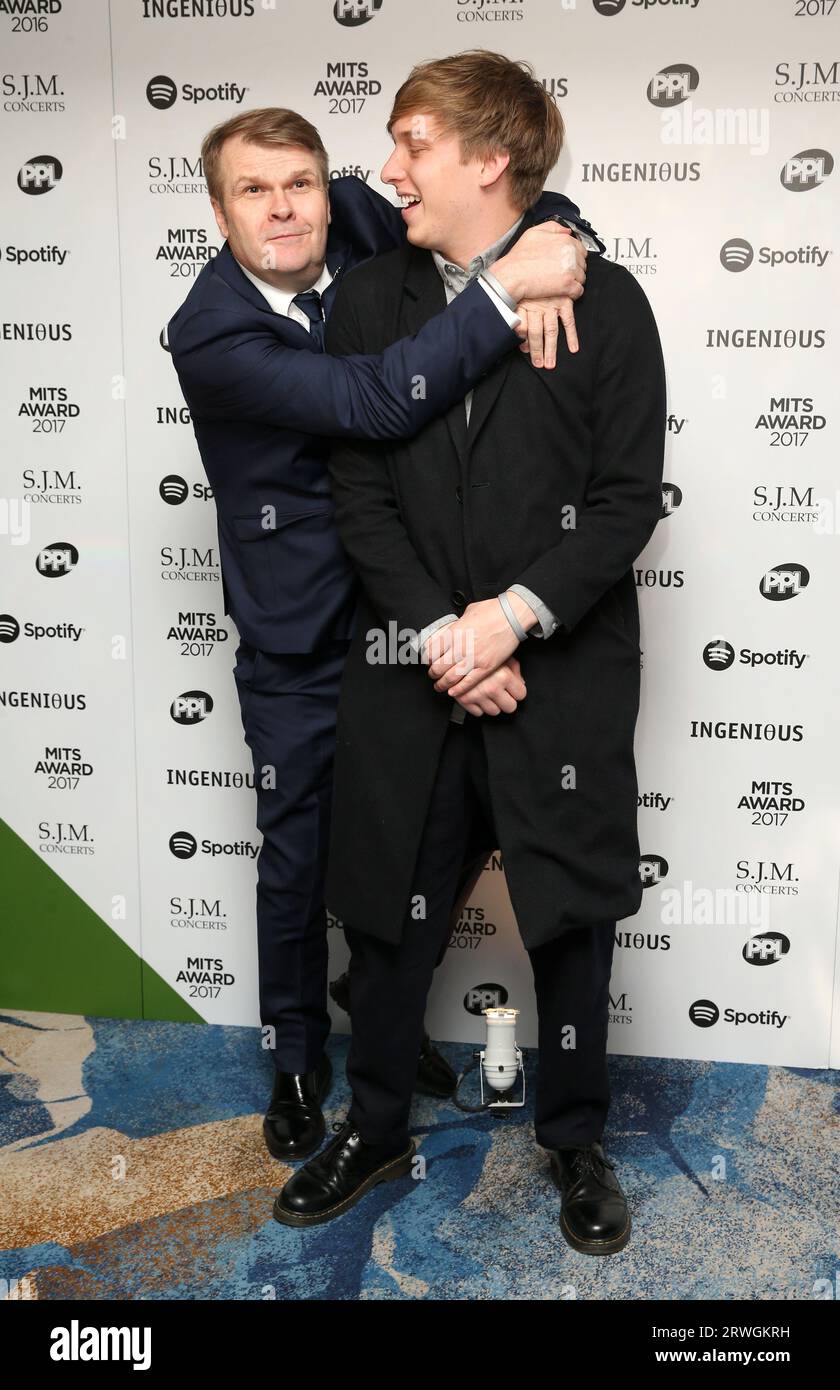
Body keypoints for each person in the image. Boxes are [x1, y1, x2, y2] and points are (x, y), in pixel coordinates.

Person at [273, 51, 666, 1253]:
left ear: (491, 160)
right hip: (413, 660)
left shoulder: (610, 302)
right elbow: (359, 488)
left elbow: (622, 501)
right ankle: (377, 1115)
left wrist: (515, 617)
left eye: (413, 145)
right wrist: (450, 632)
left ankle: (575, 1137)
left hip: (558, 670)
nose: (385, 171)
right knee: (389, 908)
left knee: (568, 919)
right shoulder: (367, 299)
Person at [164, 104, 604, 1164]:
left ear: (329, 185)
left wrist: (562, 242)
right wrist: (507, 294)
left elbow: (508, 204)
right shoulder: (211, 333)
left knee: (441, 818)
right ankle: (297, 1061)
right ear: (218, 210)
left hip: (419, 603)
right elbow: (370, 399)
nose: (284, 209)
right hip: (307, 632)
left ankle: (379, 989)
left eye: (300, 184)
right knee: (301, 856)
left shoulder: (364, 212)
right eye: (254, 191)